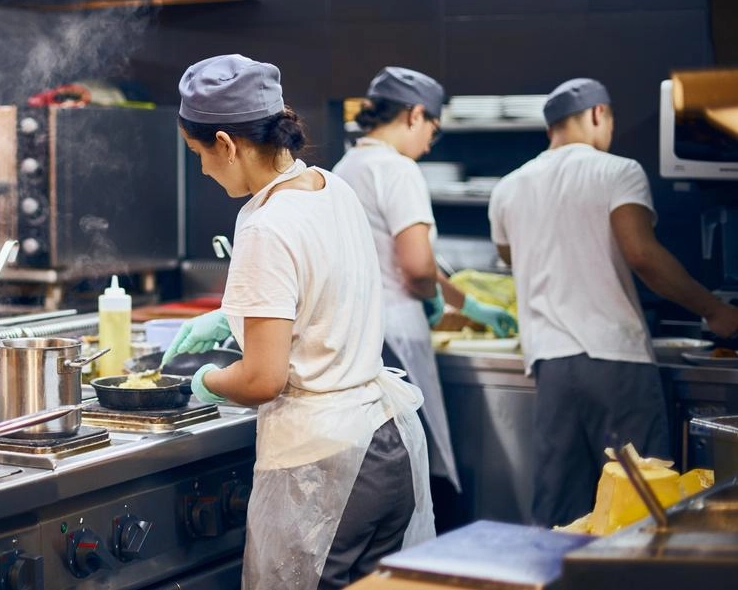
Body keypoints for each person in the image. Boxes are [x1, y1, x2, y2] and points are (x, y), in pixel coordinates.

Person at [161, 54, 434, 589]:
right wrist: (232, 314)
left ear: (226, 143)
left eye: (198, 154)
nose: (202, 169)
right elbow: (322, 292)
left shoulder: (266, 224)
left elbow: (263, 380)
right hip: (387, 443)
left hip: (326, 467)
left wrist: (198, 384)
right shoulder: (331, 187)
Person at [489, 78, 738, 527]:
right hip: (616, 359)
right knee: (642, 498)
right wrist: (715, 310)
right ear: (598, 114)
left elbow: (511, 256)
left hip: (551, 362)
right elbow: (642, 254)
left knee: (561, 510)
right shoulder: (617, 170)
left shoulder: (509, 187)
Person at [332, 67, 517, 496]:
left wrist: (464, 303)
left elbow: (406, 260)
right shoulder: (397, 170)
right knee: (414, 461)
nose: (431, 140)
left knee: (374, 463)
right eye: (433, 126)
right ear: (415, 115)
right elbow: (416, 268)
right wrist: (432, 299)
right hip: (397, 334)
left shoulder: (345, 166)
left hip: (355, 332)